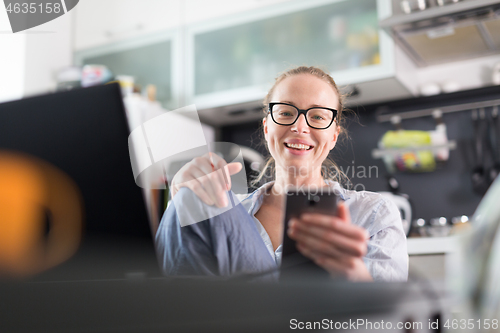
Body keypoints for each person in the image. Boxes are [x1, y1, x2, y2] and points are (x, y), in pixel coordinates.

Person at [155, 66, 408, 282]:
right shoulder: (227, 215)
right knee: (190, 198)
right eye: (286, 112)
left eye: (318, 117)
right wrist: (179, 199)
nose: (300, 126)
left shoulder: (374, 214)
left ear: (333, 136)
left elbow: (391, 321)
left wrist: (354, 278)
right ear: (267, 128)